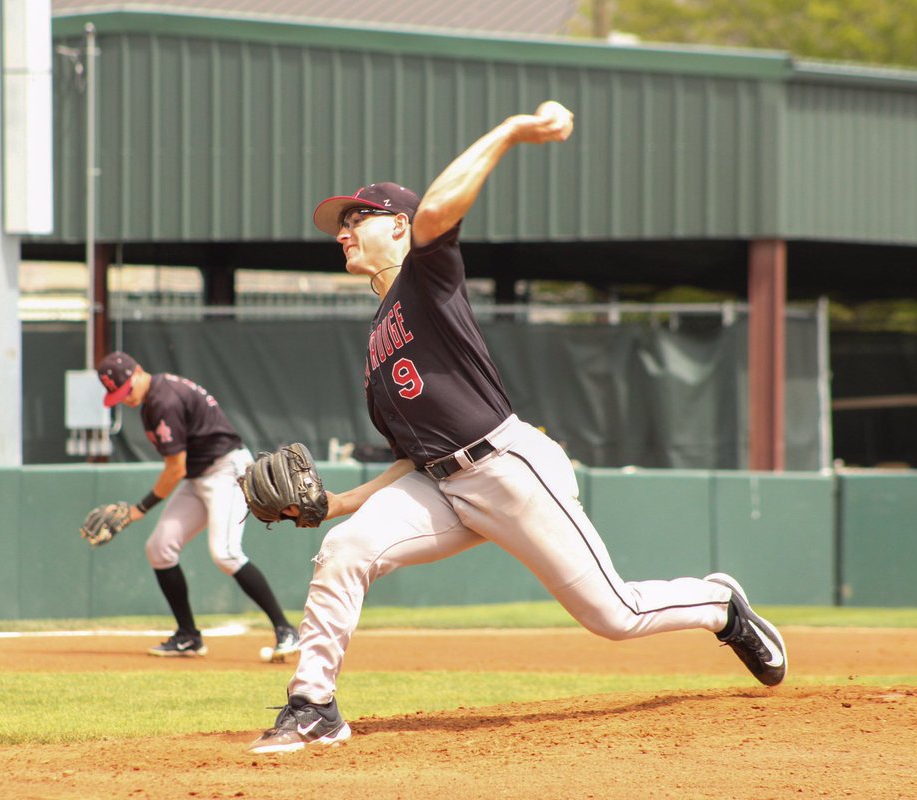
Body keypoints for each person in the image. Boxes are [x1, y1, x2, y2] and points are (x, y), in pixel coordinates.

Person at [246, 101, 787, 754]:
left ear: (399, 225)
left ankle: (719, 606)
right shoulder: (378, 339)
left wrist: (509, 131)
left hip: (507, 469)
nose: (343, 232)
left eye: (357, 218)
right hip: (441, 484)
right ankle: (313, 705)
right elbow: (413, 456)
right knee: (344, 549)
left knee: (613, 616)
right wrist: (339, 503)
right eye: (342, 224)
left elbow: (439, 214)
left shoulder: (425, 279)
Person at [96, 351, 299, 660]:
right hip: (199, 475)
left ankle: (286, 629)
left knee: (225, 554)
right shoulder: (154, 398)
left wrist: (139, 509)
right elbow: (181, 468)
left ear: (137, 372)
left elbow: (174, 469)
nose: (125, 398)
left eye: (126, 390)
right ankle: (188, 636)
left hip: (227, 470)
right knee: (159, 548)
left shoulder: (164, 399)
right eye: (118, 395)